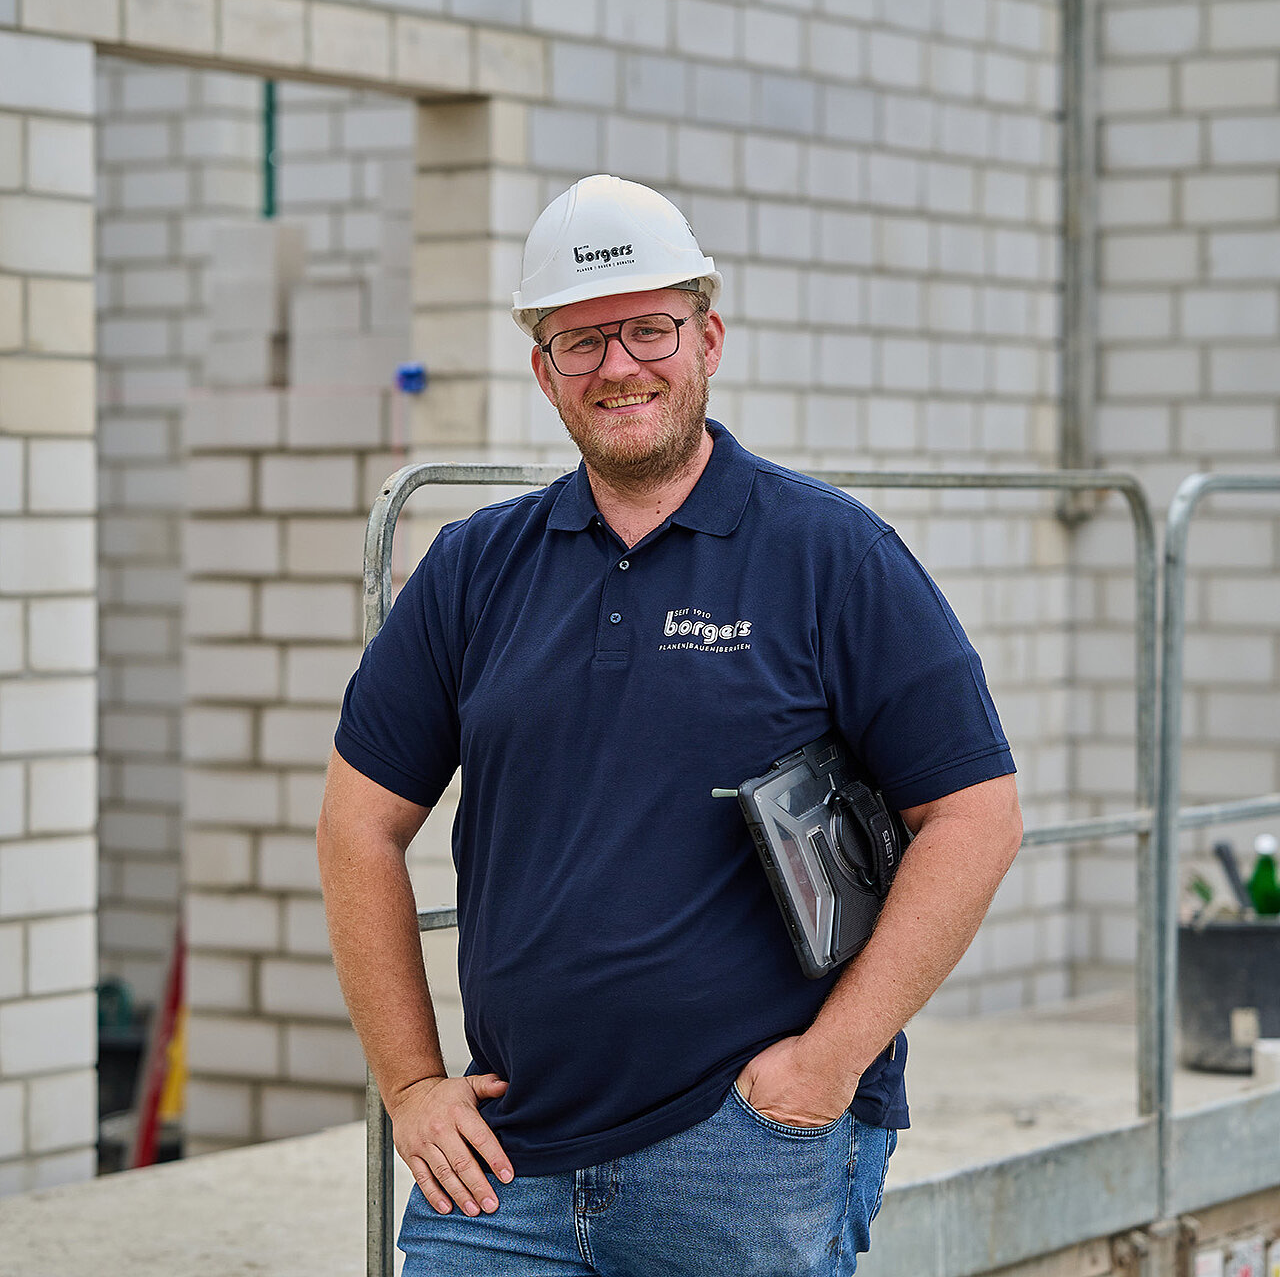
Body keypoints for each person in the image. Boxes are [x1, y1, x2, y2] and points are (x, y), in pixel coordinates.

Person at [317, 174, 1023, 1276]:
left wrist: (824, 1067)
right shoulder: (473, 570)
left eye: (650, 329)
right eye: (581, 340)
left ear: (708, 338)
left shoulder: (831, 556)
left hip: (744, 1156)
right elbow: (356, 825)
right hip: (504, 1167)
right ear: (542, 369)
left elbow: (974, 814)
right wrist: (409, 1081)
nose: (619, 365)